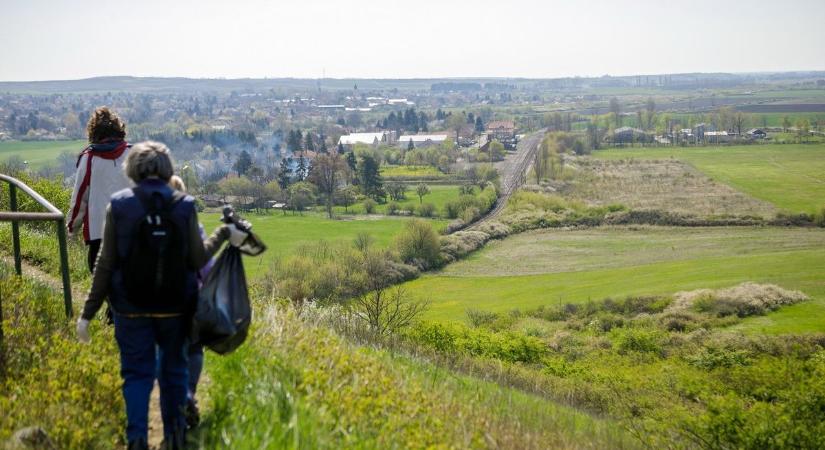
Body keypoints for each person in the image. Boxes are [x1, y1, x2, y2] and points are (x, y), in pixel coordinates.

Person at [75, 142, 247, 450]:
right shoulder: (184, 206)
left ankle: (137, 438)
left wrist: (88, 313)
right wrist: (224, 234)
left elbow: (105, 263)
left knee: (136, 375)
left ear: (133, 169)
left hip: (130, 309)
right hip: (176, 308)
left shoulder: (119, 205)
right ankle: (175, 437)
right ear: (167, 169)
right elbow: (197, 259)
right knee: (174, 373)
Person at [167, 175, 208, 428]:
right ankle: (189, 394)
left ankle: (176, 397)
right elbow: (204, 262)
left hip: (156, 301)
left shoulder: (142, 221)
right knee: (194, 347)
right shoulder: (191, 222)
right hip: (189, 296)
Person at [68, 107, 131, 272]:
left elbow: (80, 197)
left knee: (103, 283)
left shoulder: (88, 159)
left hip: (99, 233)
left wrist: (72, 228)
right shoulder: (134, 154)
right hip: (132, 231)